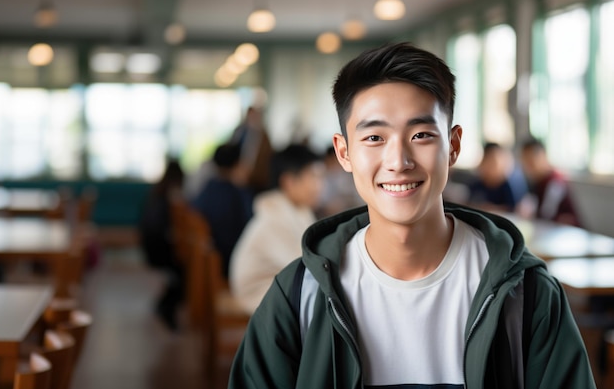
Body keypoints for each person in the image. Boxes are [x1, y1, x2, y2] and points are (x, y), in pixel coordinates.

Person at [228, 42, 596, 388]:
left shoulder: (526, 293)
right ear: (343, 153)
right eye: (374, 138)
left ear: (452, 146)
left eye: (421, 135)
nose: (398, 162)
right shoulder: (298, 295)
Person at [229, 143, 325, 314]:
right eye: (313, 176)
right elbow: (306, 268)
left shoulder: (296, 210)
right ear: (289, 181)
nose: (319, 186)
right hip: (257, 295)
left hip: (275, 287)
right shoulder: (275, 219)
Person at [190, 142, 254, 279]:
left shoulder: (208, 187)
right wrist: (242, 186)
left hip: (209, 256)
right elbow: (251, 226)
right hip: (229, 260)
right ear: (238, 164)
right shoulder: (237, 193)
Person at [137, 159, 185, 331]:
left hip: (150, 247)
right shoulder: (165, 196)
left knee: (181, 273)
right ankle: (165, 308)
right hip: (158, 249)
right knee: (184, 273)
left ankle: (164, 306)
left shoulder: (158, 192)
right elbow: (160, 230)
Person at [520, 137, 582, 227]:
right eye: (525, 162)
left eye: (531, 162)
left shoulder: (555, 182)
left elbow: (546, 214)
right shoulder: (536, 181)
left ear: (543, 156)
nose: (528, 168)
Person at [468, 142, 528, 213]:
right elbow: (469, 203)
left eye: (495, 162)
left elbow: (513, 209)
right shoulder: (476, 184)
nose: (492, 167)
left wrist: (491, 208)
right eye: (488, 161)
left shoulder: (508, 187)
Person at [316, 145, 365, 218]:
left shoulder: (343, 174)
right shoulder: (319, 175)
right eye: (334, 160)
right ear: (328, 159)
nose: (337, 165)